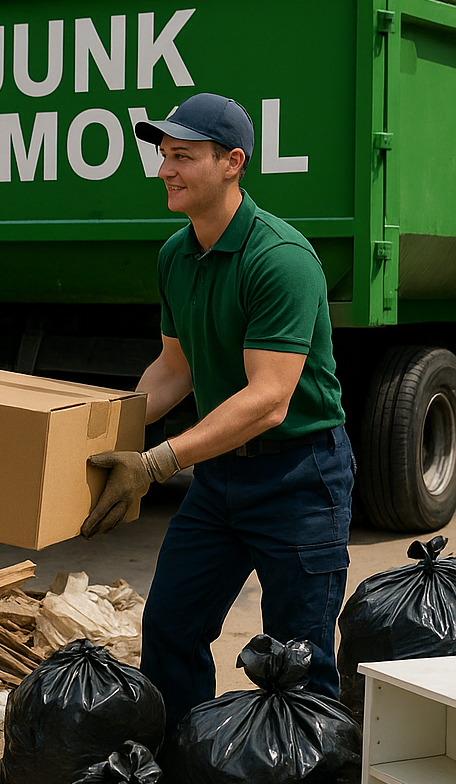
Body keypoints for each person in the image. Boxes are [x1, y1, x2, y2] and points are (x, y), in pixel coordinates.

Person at [81, 92, 353, 728]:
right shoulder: (177, 254)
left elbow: (268, 400)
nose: (166, 170)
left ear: (232, 163)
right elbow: (176, 368)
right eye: (163, 156)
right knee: (170, 626)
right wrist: (96, 432)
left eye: (184, 157)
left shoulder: (278, 258)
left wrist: (154, 462)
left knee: (298, 657)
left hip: (299, 476)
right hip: (220, 478)